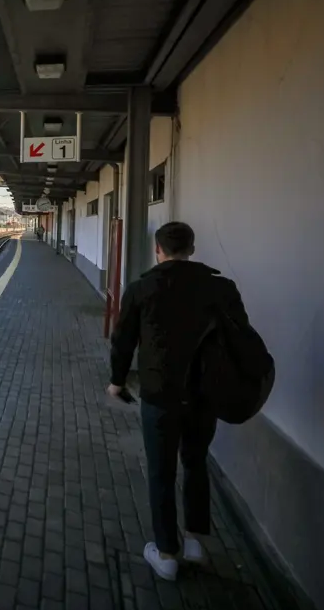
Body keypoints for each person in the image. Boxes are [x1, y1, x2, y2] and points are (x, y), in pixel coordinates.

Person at [106, 221, 251, 581]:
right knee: (196, 462)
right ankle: (196, 542)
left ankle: (167, 552)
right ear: (192, 248)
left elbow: (123, 340)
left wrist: (116, 381)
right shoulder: (221, 287)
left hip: (159, 396)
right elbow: (240, 335)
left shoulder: (142, 288)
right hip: (204, 395)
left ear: (158, 250)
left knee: (161, 471)